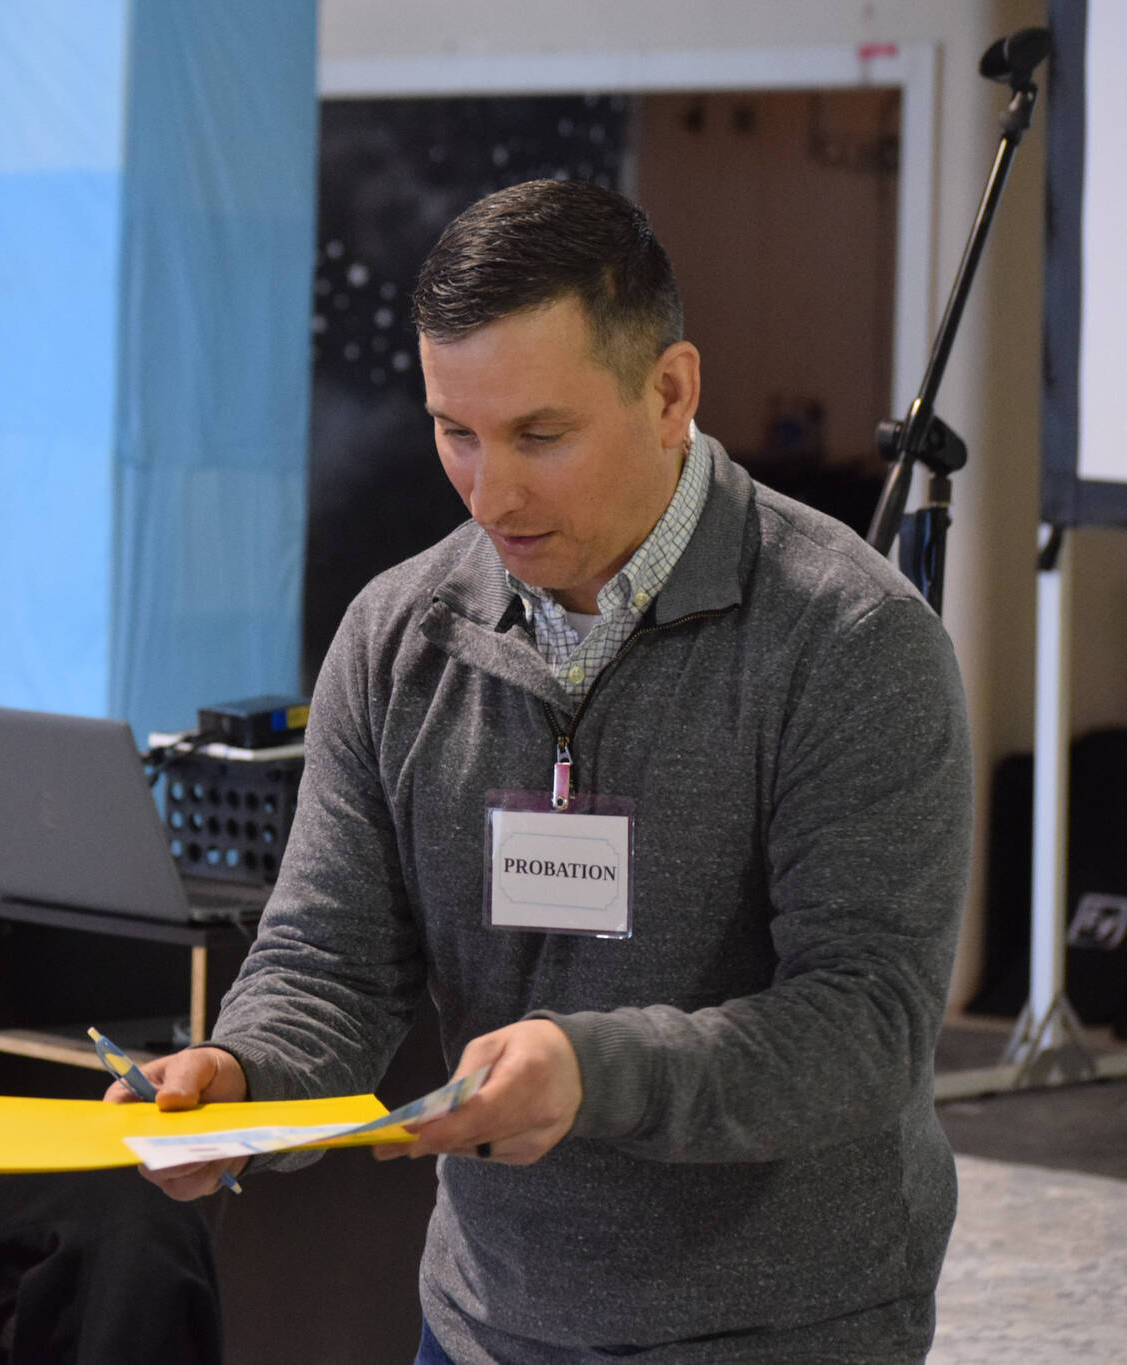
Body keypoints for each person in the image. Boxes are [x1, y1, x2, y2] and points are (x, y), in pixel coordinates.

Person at [120, 179, 971, 1363]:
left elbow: (865, 1024)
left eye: (539, 434)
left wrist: (593, 1070)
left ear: (669, 392)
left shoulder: (844, 637)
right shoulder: (396, 633)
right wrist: (246, 1071)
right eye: (452, 431)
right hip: (485, 1320)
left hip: (780, 1326)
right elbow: (329, 952)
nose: (490, 491)